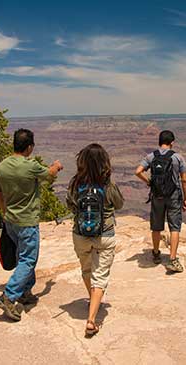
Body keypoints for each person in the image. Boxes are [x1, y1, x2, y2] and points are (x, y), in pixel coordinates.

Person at [0, 128, 63, 321]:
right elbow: (49, 175)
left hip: (10, 220)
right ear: (30, 147)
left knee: (21, 256)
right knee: (28, 259)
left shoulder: (1, 167)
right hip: (27, 221)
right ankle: (8, 296)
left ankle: (25, 293)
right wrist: (56, 165)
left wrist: (4, 211)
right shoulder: (30, 166)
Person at [66, 143, 124, 337]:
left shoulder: (75, 184)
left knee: (87, 270)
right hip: (105, 235)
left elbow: (70, 205)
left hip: (80, 235)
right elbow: (120, 204)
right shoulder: (107, 185)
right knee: (100, 276)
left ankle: (93, 301)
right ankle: (91, 320)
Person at [135, 130, 186, 273]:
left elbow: (138, 171)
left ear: (159, 141)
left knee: (156, 226)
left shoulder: (151, 156)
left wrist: (149, 183)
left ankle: (156, 253)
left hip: (157, 195)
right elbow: (184, 179)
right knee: (174, 227)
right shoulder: (178, 157)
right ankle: (172, 259)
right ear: (172, 142)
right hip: (173, 196)